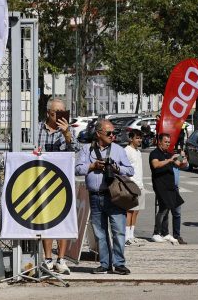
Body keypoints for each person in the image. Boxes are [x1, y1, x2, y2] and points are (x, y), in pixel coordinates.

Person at [75, 120, 134, 275]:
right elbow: (77, 169)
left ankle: (119, 264)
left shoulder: (118, 150)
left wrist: (116, 168)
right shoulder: (87, 149)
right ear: (98, 133)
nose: (112, 136)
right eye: (109, 133)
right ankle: (105, 264)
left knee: (118, 232)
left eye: (113, 133)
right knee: (100, 233)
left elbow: (130, 170)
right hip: (95, 196)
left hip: (114, 196)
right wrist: (92, 166)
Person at [37, 97, 79, 275]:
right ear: (48, 113)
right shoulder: (37, 129)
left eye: (63, 112)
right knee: (47, 218)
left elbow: (77, 151)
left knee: (62, 218)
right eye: (56, 113)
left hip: (63, 182)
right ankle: (47, 258)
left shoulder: (68, 131)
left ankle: (61, 259)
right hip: (42, 179)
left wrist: (66, 134)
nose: (60, 116)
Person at [149, 133, 185, 245]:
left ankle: (165, 233)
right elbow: (155, 165)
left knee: (168, 208)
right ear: (159, 142)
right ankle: (156, 233)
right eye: (166, 142)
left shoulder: (168, 153)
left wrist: (182, 156)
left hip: (170, 186)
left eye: (169, 142)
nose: (167, 144)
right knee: (163, 209)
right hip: (160, 185)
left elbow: (179, 163)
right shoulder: (155, 153)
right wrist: (169, 160)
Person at [124, 130, 145, 246]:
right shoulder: (127, 151)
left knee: (136, 211)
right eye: (137, 138)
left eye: (140, 138)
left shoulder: (138, 151)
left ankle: (131, 235)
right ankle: (126, 236)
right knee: (129, 211)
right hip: (131, 184)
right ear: (131, 139)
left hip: (140, 184)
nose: (139, 140)